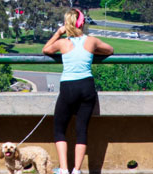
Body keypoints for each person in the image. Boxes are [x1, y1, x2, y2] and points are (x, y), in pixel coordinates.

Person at [42, 9, 114, 174]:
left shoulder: (62, 43)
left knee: (59, 128)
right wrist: (93, 50)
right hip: (87, 86)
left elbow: (45, 50)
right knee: (82, 129)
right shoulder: (91, 41)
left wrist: (58, 33)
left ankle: (64, 169)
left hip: (68, 87)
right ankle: (77, 170)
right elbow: (110, 50)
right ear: (81, 23)